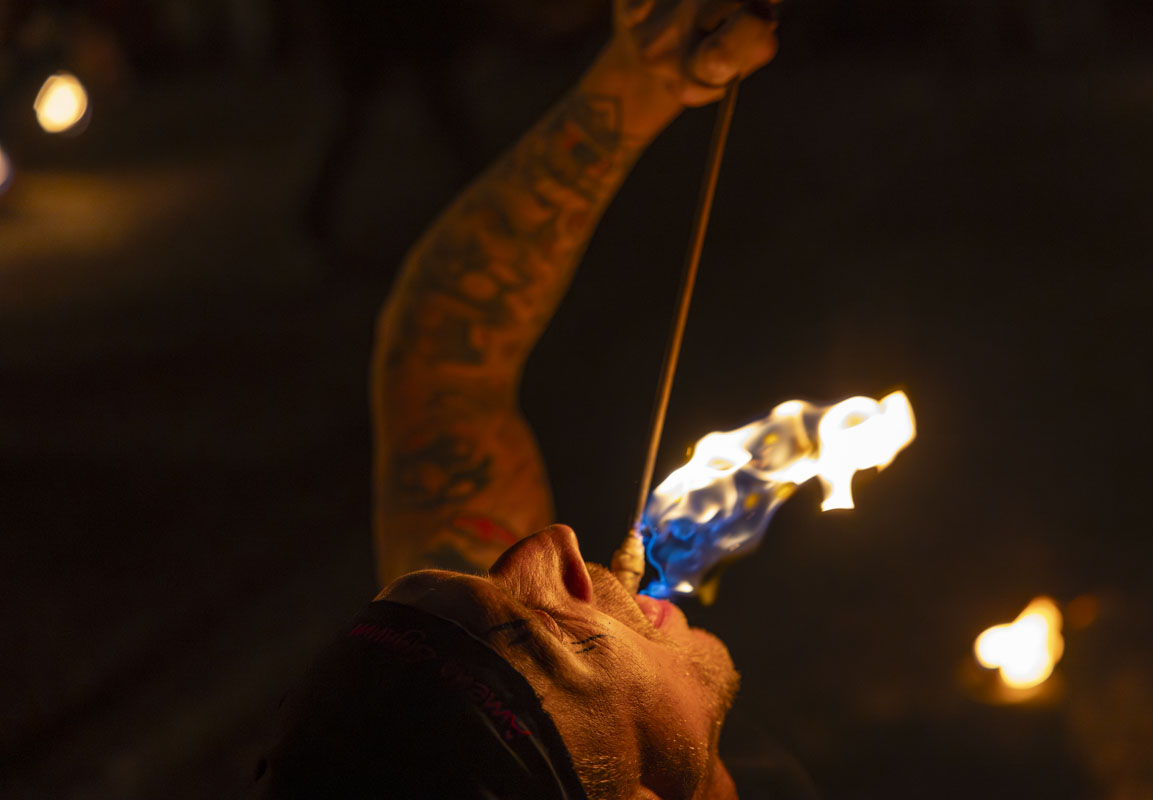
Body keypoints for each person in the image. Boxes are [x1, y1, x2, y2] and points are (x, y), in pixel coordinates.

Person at [256, 1, 783, 797]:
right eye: (547, 645)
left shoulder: (451, 669)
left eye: (491, 591)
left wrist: (640, 81)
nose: (547, 546)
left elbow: (444, 357)